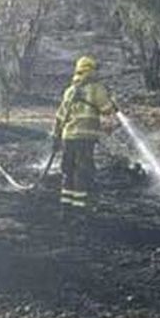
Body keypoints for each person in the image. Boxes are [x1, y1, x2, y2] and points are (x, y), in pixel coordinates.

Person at [52, 56, 117, 213]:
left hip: (68, 137)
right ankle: (80, 209)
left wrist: (55, 135)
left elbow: (60, 116)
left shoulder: (70, 91)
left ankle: (65, 206)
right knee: (83, 172)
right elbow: (107, 109)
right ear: (92, 71)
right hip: (85, 138)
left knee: (68, 171)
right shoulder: (96, 88)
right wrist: (113, 101)